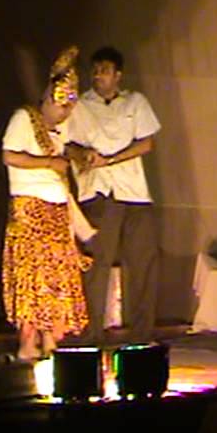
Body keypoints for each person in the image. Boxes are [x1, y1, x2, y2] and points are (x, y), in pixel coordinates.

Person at [1, 46, 92, 361]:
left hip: (56, 211)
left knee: (56, 278)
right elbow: (9, 156)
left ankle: (51, 338)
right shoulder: (24, 118)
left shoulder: (58, 130)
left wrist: (77, 156)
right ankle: (28, 343)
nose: (65, 113)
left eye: (69, 108)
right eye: (61, 106)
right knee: (32, 277)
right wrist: (48, 163)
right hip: (30, 210)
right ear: (49, 99)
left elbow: (64, 151)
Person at [68, 46, 160, 344]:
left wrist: (111, 159)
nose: (98, 76)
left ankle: (141, 337)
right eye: (95, 71)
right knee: (96, 265)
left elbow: (146, 143)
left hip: (133, 193)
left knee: (142, 264)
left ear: (118, 75)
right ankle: (91, 336)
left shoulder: (135, 102)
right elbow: (66, 144)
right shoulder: (80, 105)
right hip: (98, 192)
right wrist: (84, 155)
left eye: (105, 71)